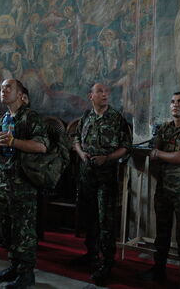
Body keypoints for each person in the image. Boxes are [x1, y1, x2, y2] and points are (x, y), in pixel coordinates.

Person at [138, 92, 180, 288]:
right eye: (173, 102)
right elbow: (153, 153)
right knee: (162, 233)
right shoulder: (164, 128)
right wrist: (168, 155)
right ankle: (159, 271)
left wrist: (162, 154)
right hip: (163, 189)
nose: (176, 105)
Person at [0, 79, 49, 289]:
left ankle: (26, 274)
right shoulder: (3, 118)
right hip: (4, 181)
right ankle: (14, 266)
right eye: (1, 88)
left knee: (24, 230)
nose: (3, 90)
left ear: (21, 94)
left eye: (8, 88)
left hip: (23, 182)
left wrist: (13, 142)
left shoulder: (31, 117)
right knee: (7, 228)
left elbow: (41, 146)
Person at [73, 83, 132, 286]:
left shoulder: (116, 118)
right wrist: (81, 154)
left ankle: (106, 262)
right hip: (86, 175)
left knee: (105, 220)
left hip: (105, 177)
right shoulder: (87, 116)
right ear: (91, 95)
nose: (105, 94)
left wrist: (107, 158)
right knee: (89, 216)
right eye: (100, 91)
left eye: (107, 92)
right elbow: (75, 139)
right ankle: (90, 253)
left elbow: (126, 146)